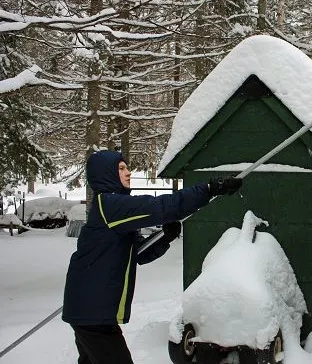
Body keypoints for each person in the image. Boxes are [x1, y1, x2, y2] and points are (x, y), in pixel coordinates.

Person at [62, 150, 241, 364]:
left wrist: (164, 236)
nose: (128, 172)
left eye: (127, 167)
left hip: (90, 309)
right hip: (91, 310)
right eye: (121, 168)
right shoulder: (110, 205)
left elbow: (137, 253)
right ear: (105, 174)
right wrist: (209, 189)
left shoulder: (112, 208)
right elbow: (161, 207)